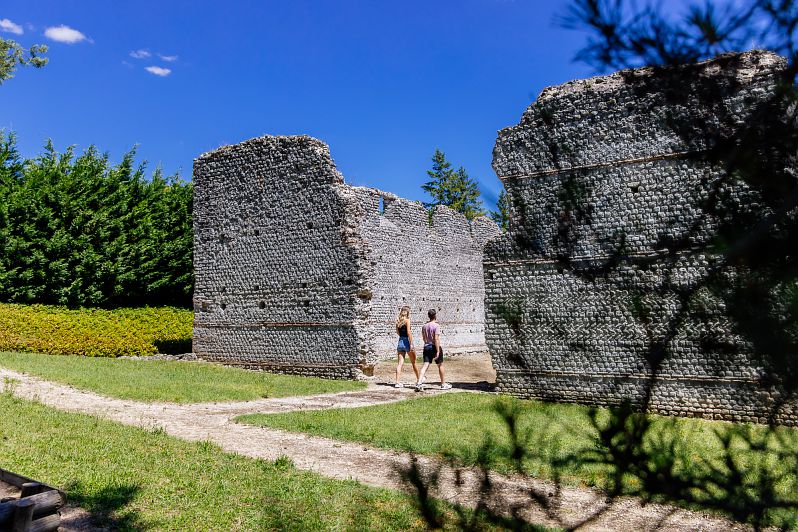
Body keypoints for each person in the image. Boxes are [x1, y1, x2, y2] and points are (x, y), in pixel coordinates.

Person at [416, 308, 451, 390]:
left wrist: (427, 343)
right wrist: (438, 350)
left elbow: (424, 338)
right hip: (434, 347)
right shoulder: (436, 326)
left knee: (425, 365)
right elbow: (436, 339)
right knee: (440, 365)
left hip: (426, 346)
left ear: (428, 316)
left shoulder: (424, 326)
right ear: (435, 316)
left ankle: (419, 382)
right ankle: (443, 384)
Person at [394, 306, 419, 388]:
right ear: (408, 312)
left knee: (400, 363)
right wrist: (411, 343)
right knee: (414, 362)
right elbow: (409, 332)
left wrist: (402, 337)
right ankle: (419, 379)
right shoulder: (407, 321)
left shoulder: (398, 321)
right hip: (406, 342)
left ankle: (397, 382)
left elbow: (397, 332)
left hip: (400, 341)